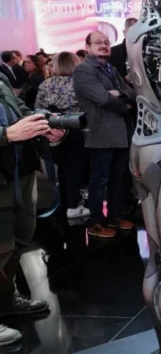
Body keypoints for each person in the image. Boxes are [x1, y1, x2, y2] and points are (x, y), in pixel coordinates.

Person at [0, 72, 65, 346]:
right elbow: (11, 129)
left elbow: (20, 109)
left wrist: (43, 122)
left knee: (18, 240)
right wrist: (7, 134)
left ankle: (5, 300)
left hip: (20, 172)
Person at [74, 31, 137, 239]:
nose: (103, 45)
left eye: (106, 42)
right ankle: (95, 222)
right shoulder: (84, 70)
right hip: (100, 133)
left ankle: (115, 215)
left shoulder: (111, 68)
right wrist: (124, 103)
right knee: (99, 180)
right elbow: (102, 99)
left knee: (118, 179)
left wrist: (120, 95)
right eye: (98, 42)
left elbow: (133, 94)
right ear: (88, 47)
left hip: (120, 133)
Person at [34, 51, 90, 220]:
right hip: (77, 129)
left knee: (64, 169)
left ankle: (67, 202)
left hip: (54, 130)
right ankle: (73, 206)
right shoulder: (81, 83)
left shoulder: (45, 85)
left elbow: (38, 108)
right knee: (75, 168)